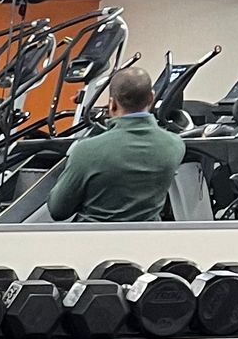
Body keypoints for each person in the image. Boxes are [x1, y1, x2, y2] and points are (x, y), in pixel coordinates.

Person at [46, 63, 186, 222]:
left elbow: (58, 210)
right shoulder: (175, 145)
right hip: (146, 242)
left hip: (93, 242)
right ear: (152, 97)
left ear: (112, 103)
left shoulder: (86, 150)